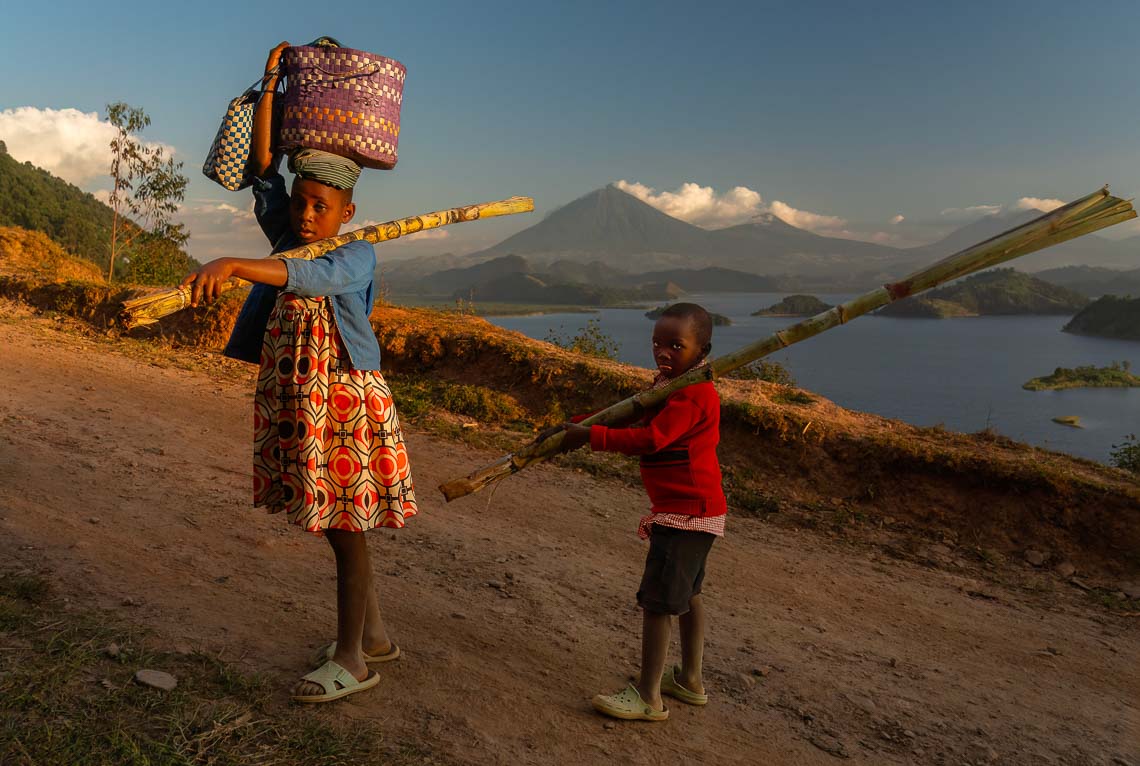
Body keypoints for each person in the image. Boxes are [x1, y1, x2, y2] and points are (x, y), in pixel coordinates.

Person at [180, 41, 417, 704]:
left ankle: (352, 659)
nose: (306, 215)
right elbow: (263, 175)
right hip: (301, 395)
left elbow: (304, 275)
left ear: (347, 212)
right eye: (301, 203)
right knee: (340, 525)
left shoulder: (355, 255)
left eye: (320, 206)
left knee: (345, 530)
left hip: (341, 402)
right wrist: (269, 86)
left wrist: (231, 264)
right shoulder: (287, 232)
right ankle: (372, 639)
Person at [554, 302, 726, 722]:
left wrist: (590, 438)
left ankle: (649, 697)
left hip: (686, 514)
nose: (663, 352)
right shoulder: (671, 385)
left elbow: (651, 439)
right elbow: (633, 420)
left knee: (659, 602)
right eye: (657, 343)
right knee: (688, 595)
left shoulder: (693, 394)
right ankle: (689, 679)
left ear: (702, 349)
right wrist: (580, 425)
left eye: (675, 345)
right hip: (695, 510)